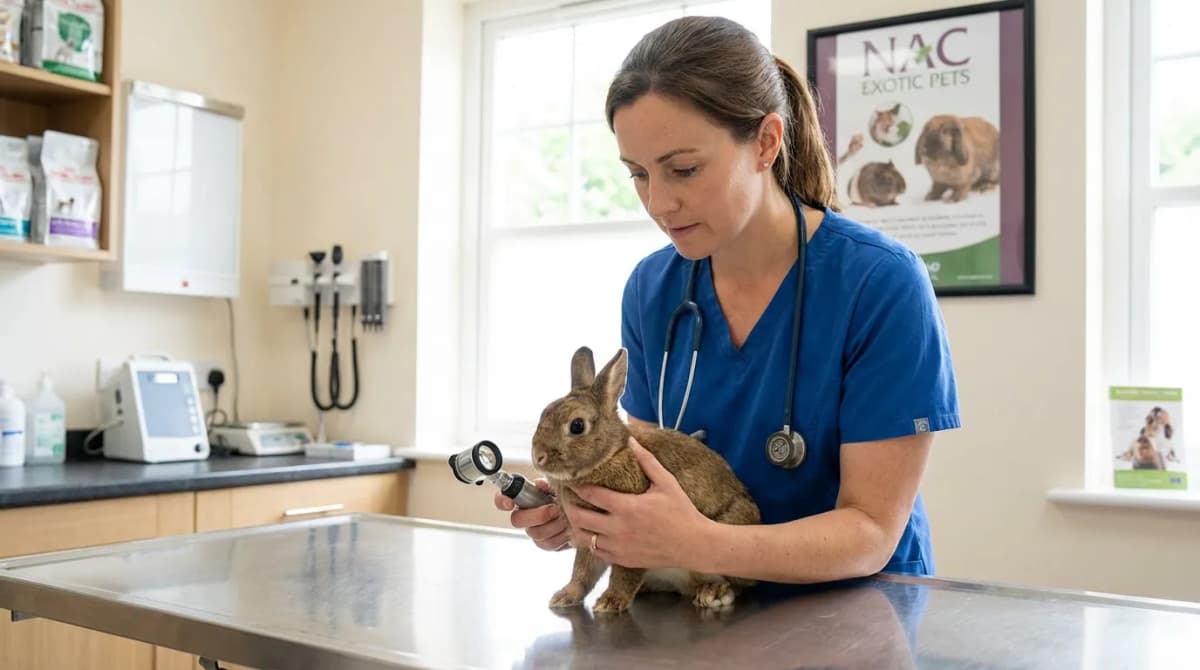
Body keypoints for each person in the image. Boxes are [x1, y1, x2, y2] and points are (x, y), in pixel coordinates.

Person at [495, 15, 959, 583]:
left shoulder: (881, 285)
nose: (659, 203)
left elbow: (870, 532)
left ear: (765, 143)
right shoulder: (652, 290)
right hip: (707, 610)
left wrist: (699, 542)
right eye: (637, 174)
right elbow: (643, 471)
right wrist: (588, 508)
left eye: (683, 169)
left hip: (856, 617)